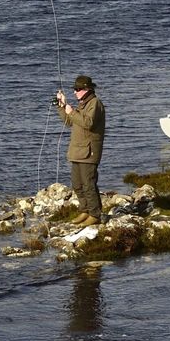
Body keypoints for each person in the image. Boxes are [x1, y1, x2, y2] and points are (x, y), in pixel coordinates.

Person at [55, 74, 106, 227]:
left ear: (86, 89)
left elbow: (88, 123)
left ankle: (95, 214)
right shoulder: (83, 104)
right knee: (77, 184)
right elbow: (69, 122)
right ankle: (85, 210)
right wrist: (62, 106)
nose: (75, 92)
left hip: (89, 152)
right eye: (74, 89)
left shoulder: (95, 104)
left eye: (77, 89)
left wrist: (71, 111)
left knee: (88, 184)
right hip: (77, 152)